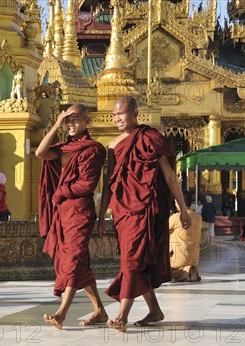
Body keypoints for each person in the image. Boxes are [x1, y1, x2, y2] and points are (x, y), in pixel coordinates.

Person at [98, 96, 191, 332]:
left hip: (148, 209)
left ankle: (122, 316)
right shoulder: (112, 145)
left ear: (135, 113)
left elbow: (169, 175)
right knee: (135, 261)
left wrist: (182, 209)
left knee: (133, 260)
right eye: (114, 115)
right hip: (123, 212)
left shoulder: (150, 139)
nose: (117, 119)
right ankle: (155, 311)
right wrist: (101, 215)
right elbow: (109, 183)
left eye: (121, 114)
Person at [36, 103, 108, 329]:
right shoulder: (64, 148)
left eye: (76, 119)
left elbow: (87, 184)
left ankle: (62, 313)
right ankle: (100, 311)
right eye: (68, 120)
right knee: (80, 264)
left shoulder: (94, 149)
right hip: (62, 213)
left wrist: (60, 192)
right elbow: (40, 153)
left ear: (87, 121)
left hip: (80, 212)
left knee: (74, 261)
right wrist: (56, 123)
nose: (71, 124)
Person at [169, 195, 202, 282]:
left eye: (176, 202)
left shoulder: (177, 217)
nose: (175, 204)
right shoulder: (198, 217)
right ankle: (191, 269)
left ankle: (185, 273)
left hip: (178, 257)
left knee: (162, 272)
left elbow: (163, 227)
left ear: (181, 203)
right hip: (194, 258)